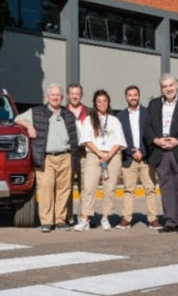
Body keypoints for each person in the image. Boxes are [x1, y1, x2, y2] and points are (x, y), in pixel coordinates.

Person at [15, 83, 80, 233]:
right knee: (46, 188)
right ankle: (46, 221)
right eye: (53, 95)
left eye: (58, 95)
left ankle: (60, 220)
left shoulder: (68, 115)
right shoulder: (37, 112)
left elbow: (75, 136)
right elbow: (17, 118)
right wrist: (29, 126)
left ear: (62, 98)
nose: (56, 98)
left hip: (65, 156)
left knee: (64, 190)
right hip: (46, 157)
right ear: (47, 97)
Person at [144, 74, 178, 234]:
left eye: (170, 85)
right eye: (164, 86)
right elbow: (147, 126)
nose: (168, 89)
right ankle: (170, 221)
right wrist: (155, 140)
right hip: (161, 150)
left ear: (177, 85)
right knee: (166, 188)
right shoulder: (154, 104)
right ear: (161, 88)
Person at [74, 90, 126, 232]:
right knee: (89, 188)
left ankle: (105, 217)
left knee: (109, 189)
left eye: (105, 101)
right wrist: (99, 153)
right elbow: (86, 140)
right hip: (94, 155)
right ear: (95, 104)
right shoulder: (89, 120)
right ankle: (85, 218)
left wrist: (108, 155)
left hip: (112, 156)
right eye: (99, 101)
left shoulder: (114, 120)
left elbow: (119, 141)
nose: (102, 103)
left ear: (108, 102)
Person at [116, 85, 161, 230]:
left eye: (135, 95)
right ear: (126, 97)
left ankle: (153, 219)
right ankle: (126, 219)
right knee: (129, 189)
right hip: (129, 158)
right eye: (130, 95)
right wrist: (131, 150)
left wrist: (142, 151)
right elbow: (120, 138)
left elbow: (152, 135)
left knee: (150, 189)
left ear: (139, 96)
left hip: (146, 157)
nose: (133, 97)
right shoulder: (120, 116)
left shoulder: (148, 113)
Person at [66, 83, 88, 224]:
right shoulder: (62, 113)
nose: (75, 96)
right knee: (67, 186)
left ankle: (84, 216)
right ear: (68, 95)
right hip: (68, 154)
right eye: (72, 93)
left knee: (86, 186)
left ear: (81, 95)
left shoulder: (89, 112)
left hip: (85, 153)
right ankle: (67, 217)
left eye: (77, 94)